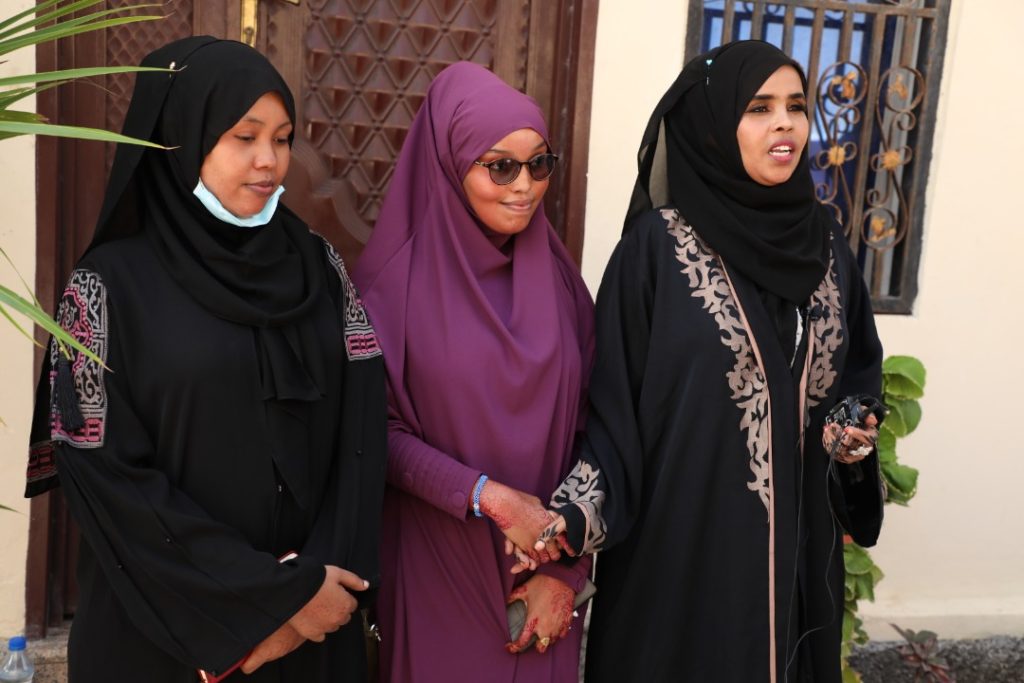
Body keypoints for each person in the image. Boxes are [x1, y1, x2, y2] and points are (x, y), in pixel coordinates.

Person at [24, 37, 387, 682]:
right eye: (244, 137)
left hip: (315, 628)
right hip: (165, 639)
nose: (268, 161)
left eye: (281, 138)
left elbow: (362, 433)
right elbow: (106, 478)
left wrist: (317, 587)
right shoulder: (106, 287)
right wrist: (258, 607)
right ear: (181, 138)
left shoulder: (318, 269)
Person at [532, 40, 886, 682]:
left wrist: (853, 433)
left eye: (797, 106)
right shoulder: (654, 253)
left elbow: (855, 370)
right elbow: (612, 407)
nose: (786, 123)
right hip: (682, 555)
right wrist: (571, 518)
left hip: (799, 560)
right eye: (758, 107)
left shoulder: (827, 242)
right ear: (714, 125)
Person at [351, 62, 595, 682]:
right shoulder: (390, 290)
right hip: (437, 567)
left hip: (545, 582)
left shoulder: (564, 286)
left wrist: (565, 569)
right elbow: (369, 434)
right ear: (449, 166)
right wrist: (487, 497)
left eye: (539, 164)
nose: (525, 186)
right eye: (500, 166)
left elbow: (604, 430)